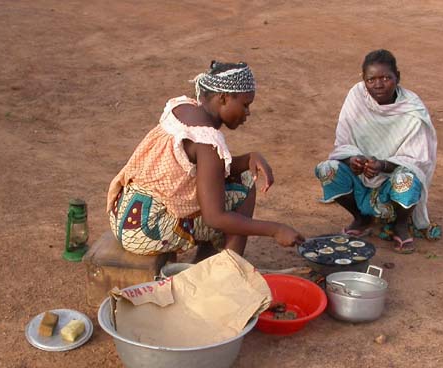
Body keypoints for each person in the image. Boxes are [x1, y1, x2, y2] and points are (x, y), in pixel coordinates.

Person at [106, 61, 304, 261]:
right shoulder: (208, 141)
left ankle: (204, 263)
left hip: (125, 214)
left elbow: (211, 172)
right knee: (242, 191)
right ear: (224, 98)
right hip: (146, 230)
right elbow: (215, 218)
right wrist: (276, 229)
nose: (248, 113)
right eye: (245, 105)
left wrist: (249, 158)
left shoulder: (183, 109)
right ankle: (226, 273)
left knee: (233, 183)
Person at [314, 49, 440, 254]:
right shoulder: (356, 96)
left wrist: (382, 165)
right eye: (371, 79)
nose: (379, 84)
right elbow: (343, 143)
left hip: (392, 179)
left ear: (397, 77)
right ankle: (362, 218)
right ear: (363, 80)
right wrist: (353, 160)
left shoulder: (412, 109)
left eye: (386, 78)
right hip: (359, 176)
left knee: (408, 178)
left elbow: (417, 160)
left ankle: (400, 224)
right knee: (328, 169)